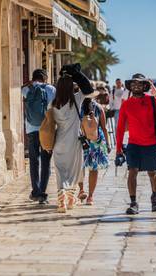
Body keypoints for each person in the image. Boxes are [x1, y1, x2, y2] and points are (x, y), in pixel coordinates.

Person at [116, 73, 156, 215]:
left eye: (139, 83)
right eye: (133, 84)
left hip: (151, 143)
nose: (136, 86)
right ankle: (133, 202)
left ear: (145, 86)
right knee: (132, 172)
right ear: (130, 87)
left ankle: (155, 196)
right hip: (133, 144)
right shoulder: (126, 104)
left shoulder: (153, 101)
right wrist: (118, 148)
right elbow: (120, 128)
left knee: (152, 172)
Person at [51, 63, 94, 213]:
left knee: (60, 171)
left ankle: (61, 201)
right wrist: (76, 74)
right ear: (71, 87)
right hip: (73, 142)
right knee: (74, 171)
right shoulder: (76, 99)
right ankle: (70, 199)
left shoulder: (53, 104)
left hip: (59, 143)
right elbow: (89, 89)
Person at [22, 69, 56, 204]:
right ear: (45, 78)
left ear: (33, 77)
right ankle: (42, 193)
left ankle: (35, 191)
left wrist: (28, 84)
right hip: (46, 129)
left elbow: (20, 90)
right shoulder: (51, 89)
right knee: (46, 161)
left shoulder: (27, 89)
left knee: (34, 161)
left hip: (31, 129)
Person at [77, 98, 111, 205]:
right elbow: (104, 127)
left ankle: (81, 190)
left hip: (82, 139)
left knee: (79, 166)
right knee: (94, 168)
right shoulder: (98, 107)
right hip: (96, 140)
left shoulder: (78, 106)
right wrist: (108, 144)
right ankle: (90, 197)